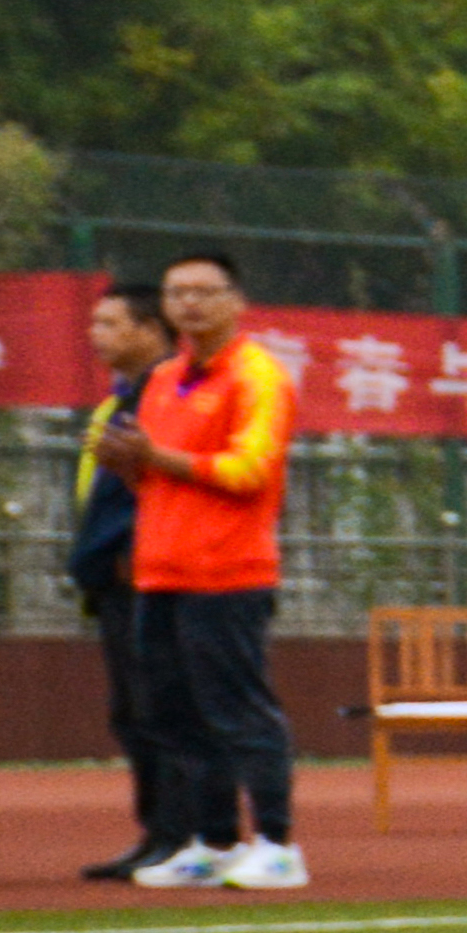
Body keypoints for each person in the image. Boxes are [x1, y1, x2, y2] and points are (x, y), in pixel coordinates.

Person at [107, 249, 306, 892]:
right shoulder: (164, 378)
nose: (189, 304)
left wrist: (157, 457)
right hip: (161, 571)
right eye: (177, 293)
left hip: (228, 572)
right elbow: (154, 481)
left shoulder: (258, 375)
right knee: (175, 716)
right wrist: (130, 466)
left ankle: (276, 843)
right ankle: (213, 842)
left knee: (238, 711)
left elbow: (250, 470)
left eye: (204, 291)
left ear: (236, 302)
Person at [70, 281, 181, 880]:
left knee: (163, 709)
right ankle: (157, 832)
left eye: (111, 323)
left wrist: (135, 549)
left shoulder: (169, 394)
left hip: (151, 576)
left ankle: (185, 834)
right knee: (134, 712)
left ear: (151, 330)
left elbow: (168, 487)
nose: (96, 335)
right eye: (95, 323)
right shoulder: (119, 401)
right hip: (113, 580)